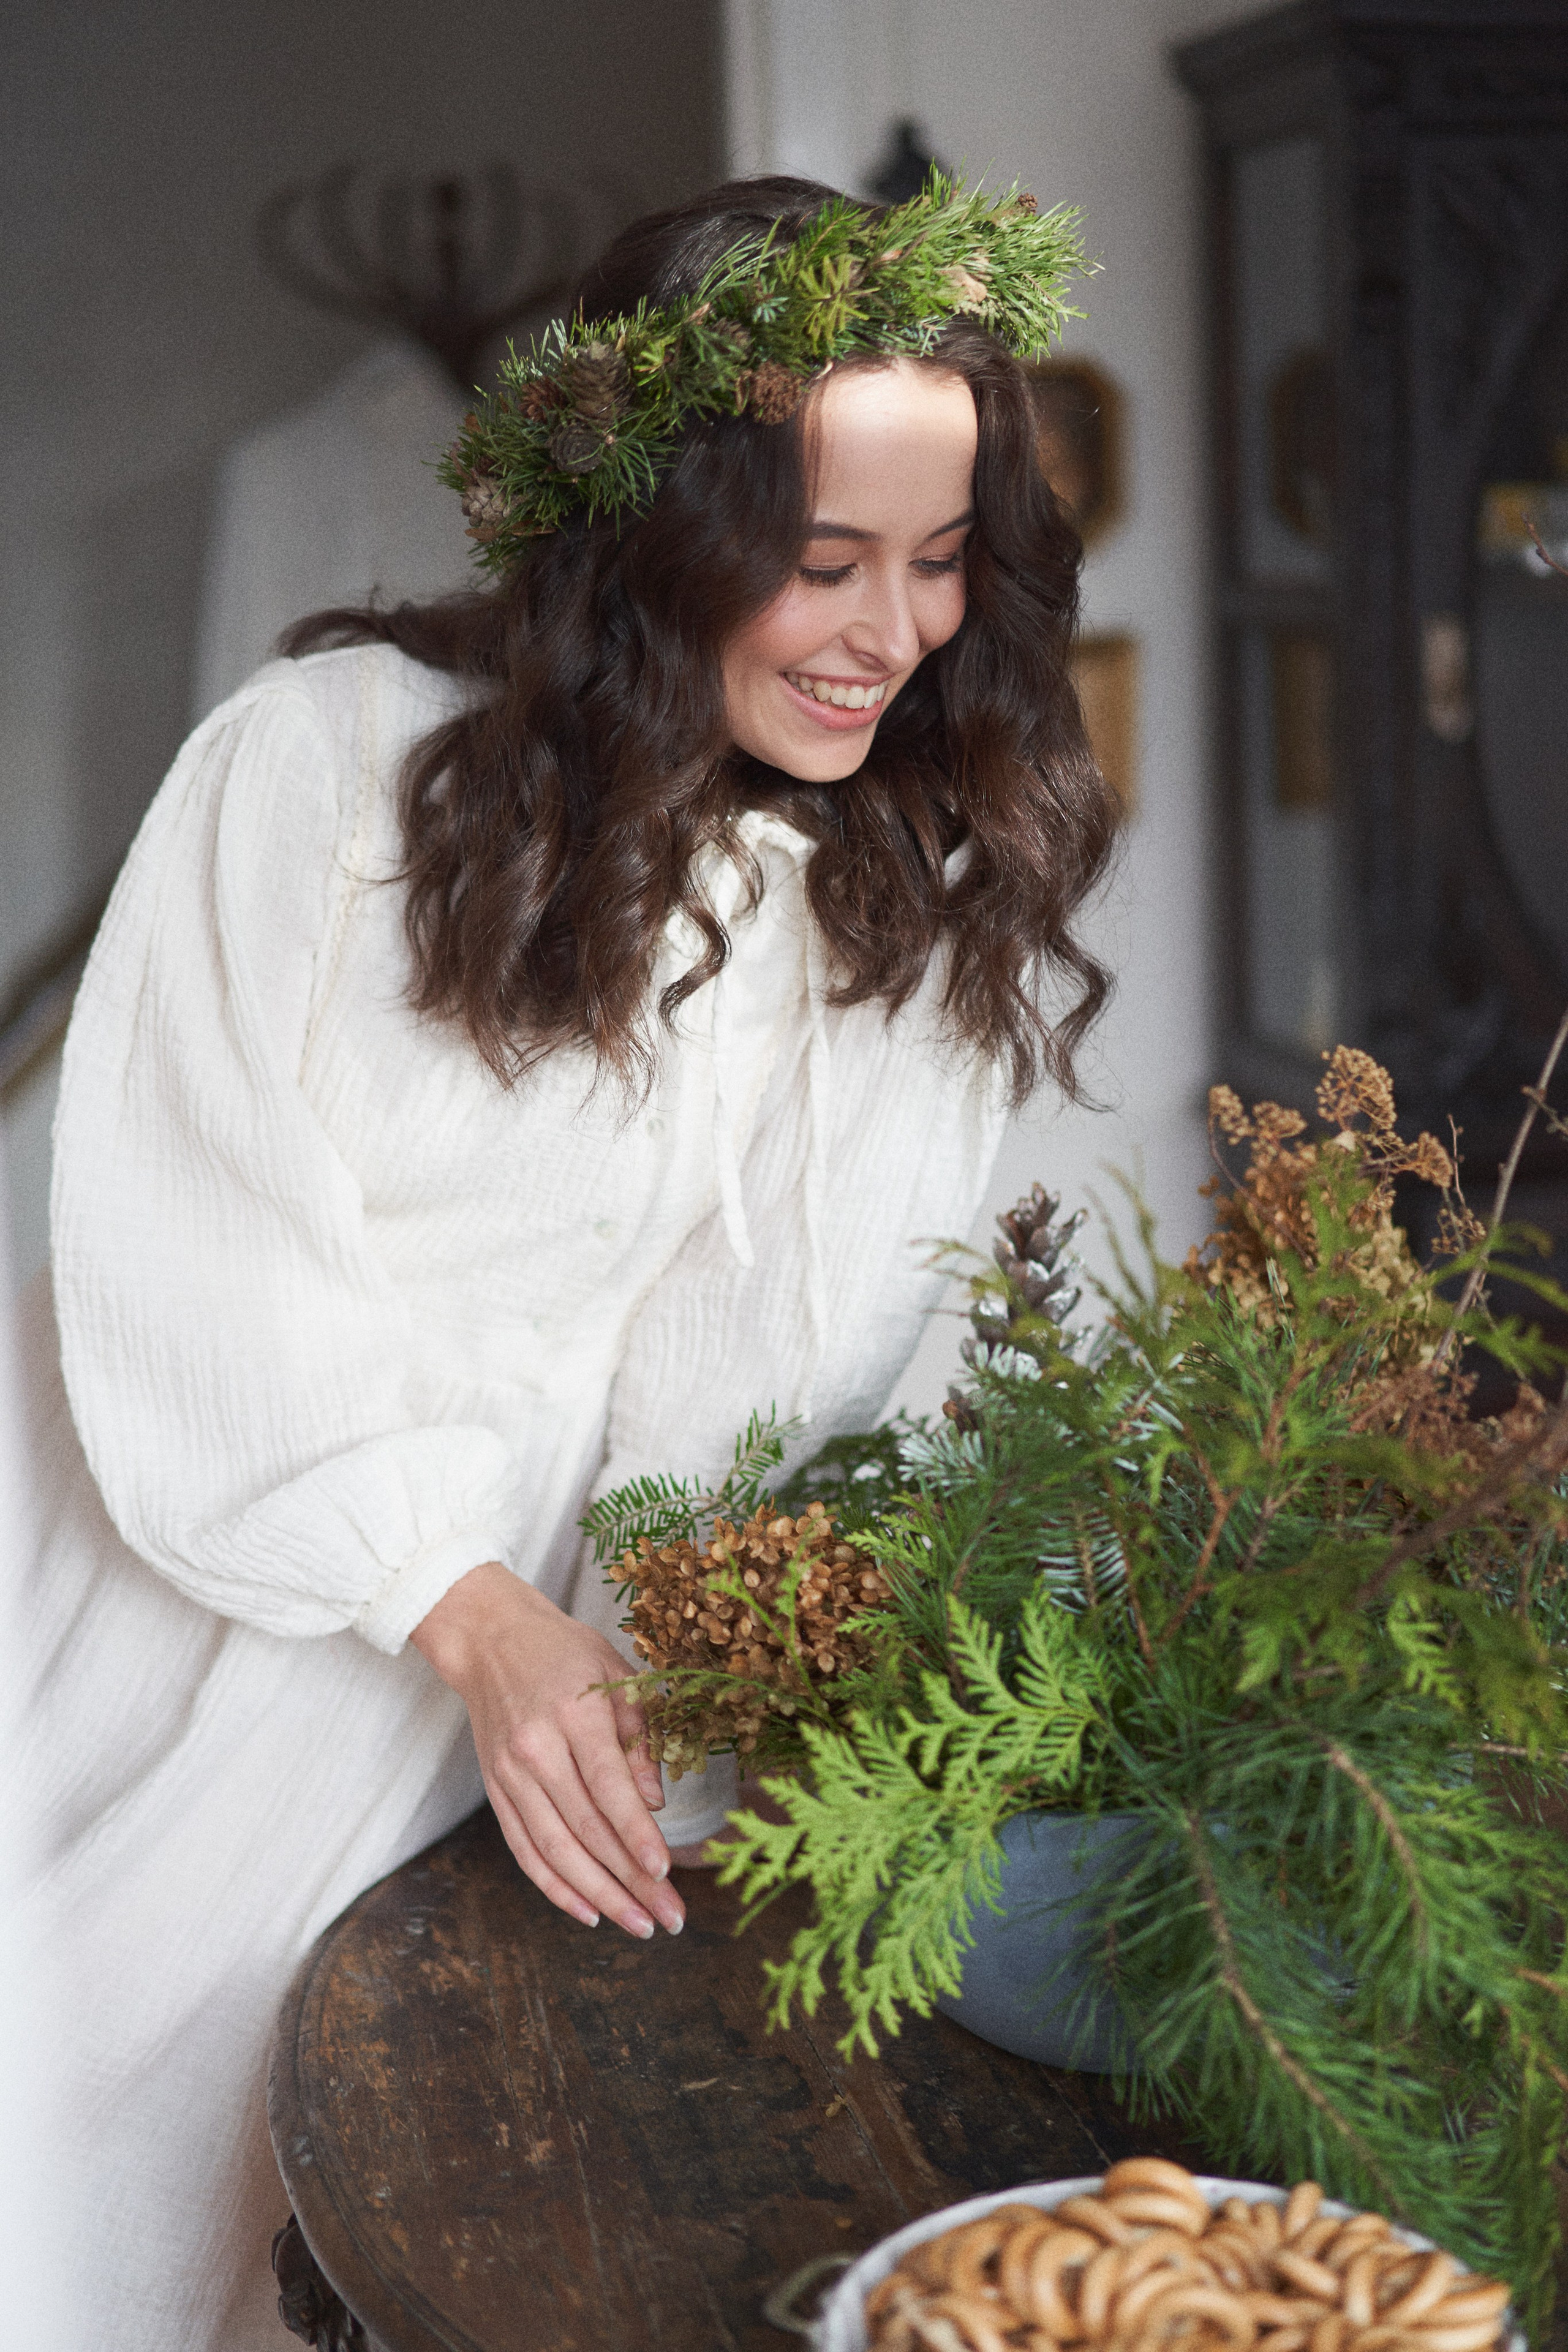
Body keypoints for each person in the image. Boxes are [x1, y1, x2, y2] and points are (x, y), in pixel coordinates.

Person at [11, 173, 1116, 2349]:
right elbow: (197, 1236)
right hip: (201, 1604)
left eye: (932, 561)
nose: (885, 633)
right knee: (97, 2194)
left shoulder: (903, 880)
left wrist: (695, 1686)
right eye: (817, 564)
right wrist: (475, 1615)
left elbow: (789, 1365)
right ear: (659, 540)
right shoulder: (323, 775)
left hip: (563, 1692)